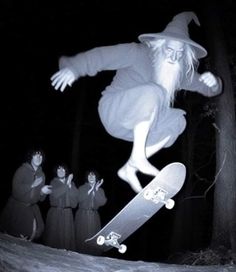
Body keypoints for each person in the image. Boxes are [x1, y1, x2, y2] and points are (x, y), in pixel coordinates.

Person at [51, 11, 222, 193]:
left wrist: (214, 83)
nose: (173, 58)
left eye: (179, 54)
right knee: (154, 91)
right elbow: (103, 56)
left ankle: (131, 166)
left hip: (136, 128)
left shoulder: (179, 74)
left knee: (178, 120)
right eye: (169, 50)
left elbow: (208, 88)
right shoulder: (138, 52)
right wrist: (75, 68)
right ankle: (139, 157)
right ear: (159, 46)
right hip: (114, 110)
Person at [0, 149, 52, 241]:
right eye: (36, 155)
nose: (38, 158)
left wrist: (42, 192)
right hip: (17, 207)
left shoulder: (42, 175)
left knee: (39, 230)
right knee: (15, 236)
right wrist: (32, 185)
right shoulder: (22, 170)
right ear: (31, 157)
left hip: (31, 207)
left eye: (40, 156)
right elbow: (15, 190)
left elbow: (41, 199)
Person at [43, 164, 79, 250]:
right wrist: (67, 184)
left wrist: (70, 186)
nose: (61, 171)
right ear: (56, 172)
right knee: (53, 240)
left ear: (66, 172)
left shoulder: (72, 184)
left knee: (66, 240)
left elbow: (74, 203)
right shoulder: (53, 182)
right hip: (55, 213)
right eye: (59, 169)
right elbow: (56, 194)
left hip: (67, 214)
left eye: (63, 170)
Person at [75, 170, 107, 255]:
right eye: (89, 175)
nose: (91, 177)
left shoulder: (100, 190)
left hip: (94, 217)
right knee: (82, 238)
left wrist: (95, 190)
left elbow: (102, 202)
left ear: (96, 178)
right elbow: (79, 199)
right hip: (82, 215)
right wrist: (90, 191)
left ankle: (93, 257)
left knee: (93, 238)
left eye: (93, 175)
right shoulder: (82, 188)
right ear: (87, 178)